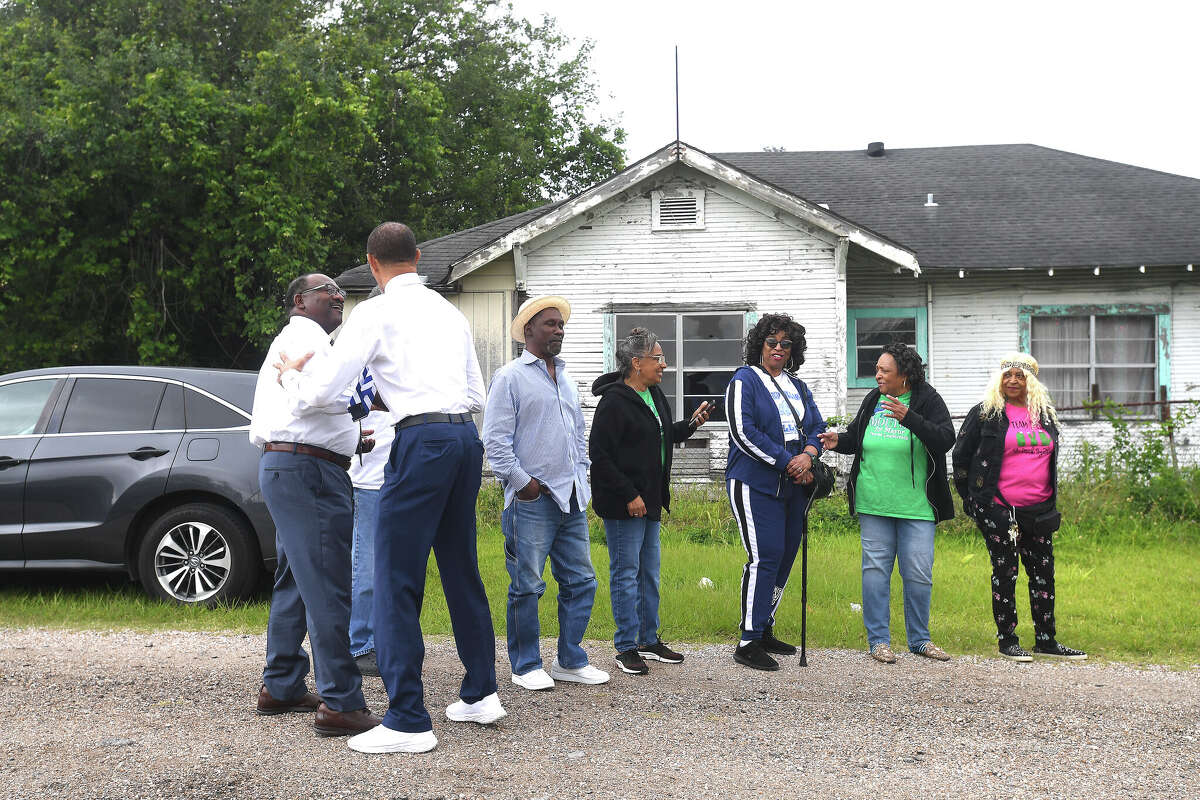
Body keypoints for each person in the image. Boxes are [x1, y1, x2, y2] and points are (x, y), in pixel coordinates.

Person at [275, 222, 503, 755]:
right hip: (464, 438)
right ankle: (480, 693)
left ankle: (407, 718)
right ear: (418, 257)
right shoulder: (450, 312)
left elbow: (327, 391)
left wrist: (292, 375)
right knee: (460, 567)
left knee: (395, 576)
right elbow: (475, 389)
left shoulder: (372, 313)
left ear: (372, 265)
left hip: (420, 442)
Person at [249, 273, 382, 737]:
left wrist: (348, 436)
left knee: (294, 579)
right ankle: (341, 701)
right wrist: (358, 405)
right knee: (327, 582)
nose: (340, 296)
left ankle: (282, 684)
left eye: (341, 291)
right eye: (329, 290)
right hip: (308, 472)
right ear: (301, 301)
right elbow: (318, 397)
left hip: (291, 467)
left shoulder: (301, 339)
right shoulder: (306, 339)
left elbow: (308, 408)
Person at [481, 296, 609, 691]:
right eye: (551, 324)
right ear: (529, 330)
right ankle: (525, 665)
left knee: (582, 582)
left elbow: (576, 438)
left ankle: (570, 660)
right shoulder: (510, 377)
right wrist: (525, 485)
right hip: (532, 500)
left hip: (571, 498)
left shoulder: (566, 379)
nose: (559, 330)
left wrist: (582, 479)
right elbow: (495, 440)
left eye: (560, 324)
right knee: (527, 585)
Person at [818, 342, 955, 665]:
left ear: (904, 375)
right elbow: (857, 437)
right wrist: (840, 441)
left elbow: (945, 438)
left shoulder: (927, 399)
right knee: (876, 571)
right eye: (877, 369)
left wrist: (910, 418)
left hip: (917, 506)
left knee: (919, 573)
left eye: (884, 370)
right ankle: (878, 641)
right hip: (874, 500)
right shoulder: (873, 399)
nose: (877, 375)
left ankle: (920, 640)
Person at [589, 327, 712, 675]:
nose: (664, 364)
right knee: (625, 574)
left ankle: (648, 639)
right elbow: (599, 455)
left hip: (651, 501)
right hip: (624, 504)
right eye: (658, 358)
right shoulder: (613, 401)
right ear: (636, 362)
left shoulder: (654, 394)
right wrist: (629, 495)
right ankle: (626, 646)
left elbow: (660, 435)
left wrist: (690, 425)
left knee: (649, 574)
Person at [952, 353, 1086, 661]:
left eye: (1020, 375)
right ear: (1000, 379)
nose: (1013, 380)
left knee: (1043, 574)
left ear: (1032, 381)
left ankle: (1046, 640)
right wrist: (973, 500)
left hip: (1039, 509)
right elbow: (961, 458)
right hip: (999, 509)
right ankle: (1008, 640)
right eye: (1008, 375)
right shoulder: (986, 414)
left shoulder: (1044, 416)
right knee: (1006, 571)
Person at [724, 313, 826, 672]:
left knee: (784, 557)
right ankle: (748, 640)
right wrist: (788, 461)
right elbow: (744, 432)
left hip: (794, 486)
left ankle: (764, 626)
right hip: (755, 481)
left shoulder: (797, 386)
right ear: (759, 346)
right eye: (772, 342)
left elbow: (817, 426)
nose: (778, 349)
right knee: (764, 555)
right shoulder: (744, 381)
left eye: (786, 343)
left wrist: (809, 455)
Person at [348, 407, 395, 678]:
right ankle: (359, 646)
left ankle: (379, 641)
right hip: (368, 482)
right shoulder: (361, 369)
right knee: (365, 567)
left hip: (392, 481)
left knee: (387, 569)